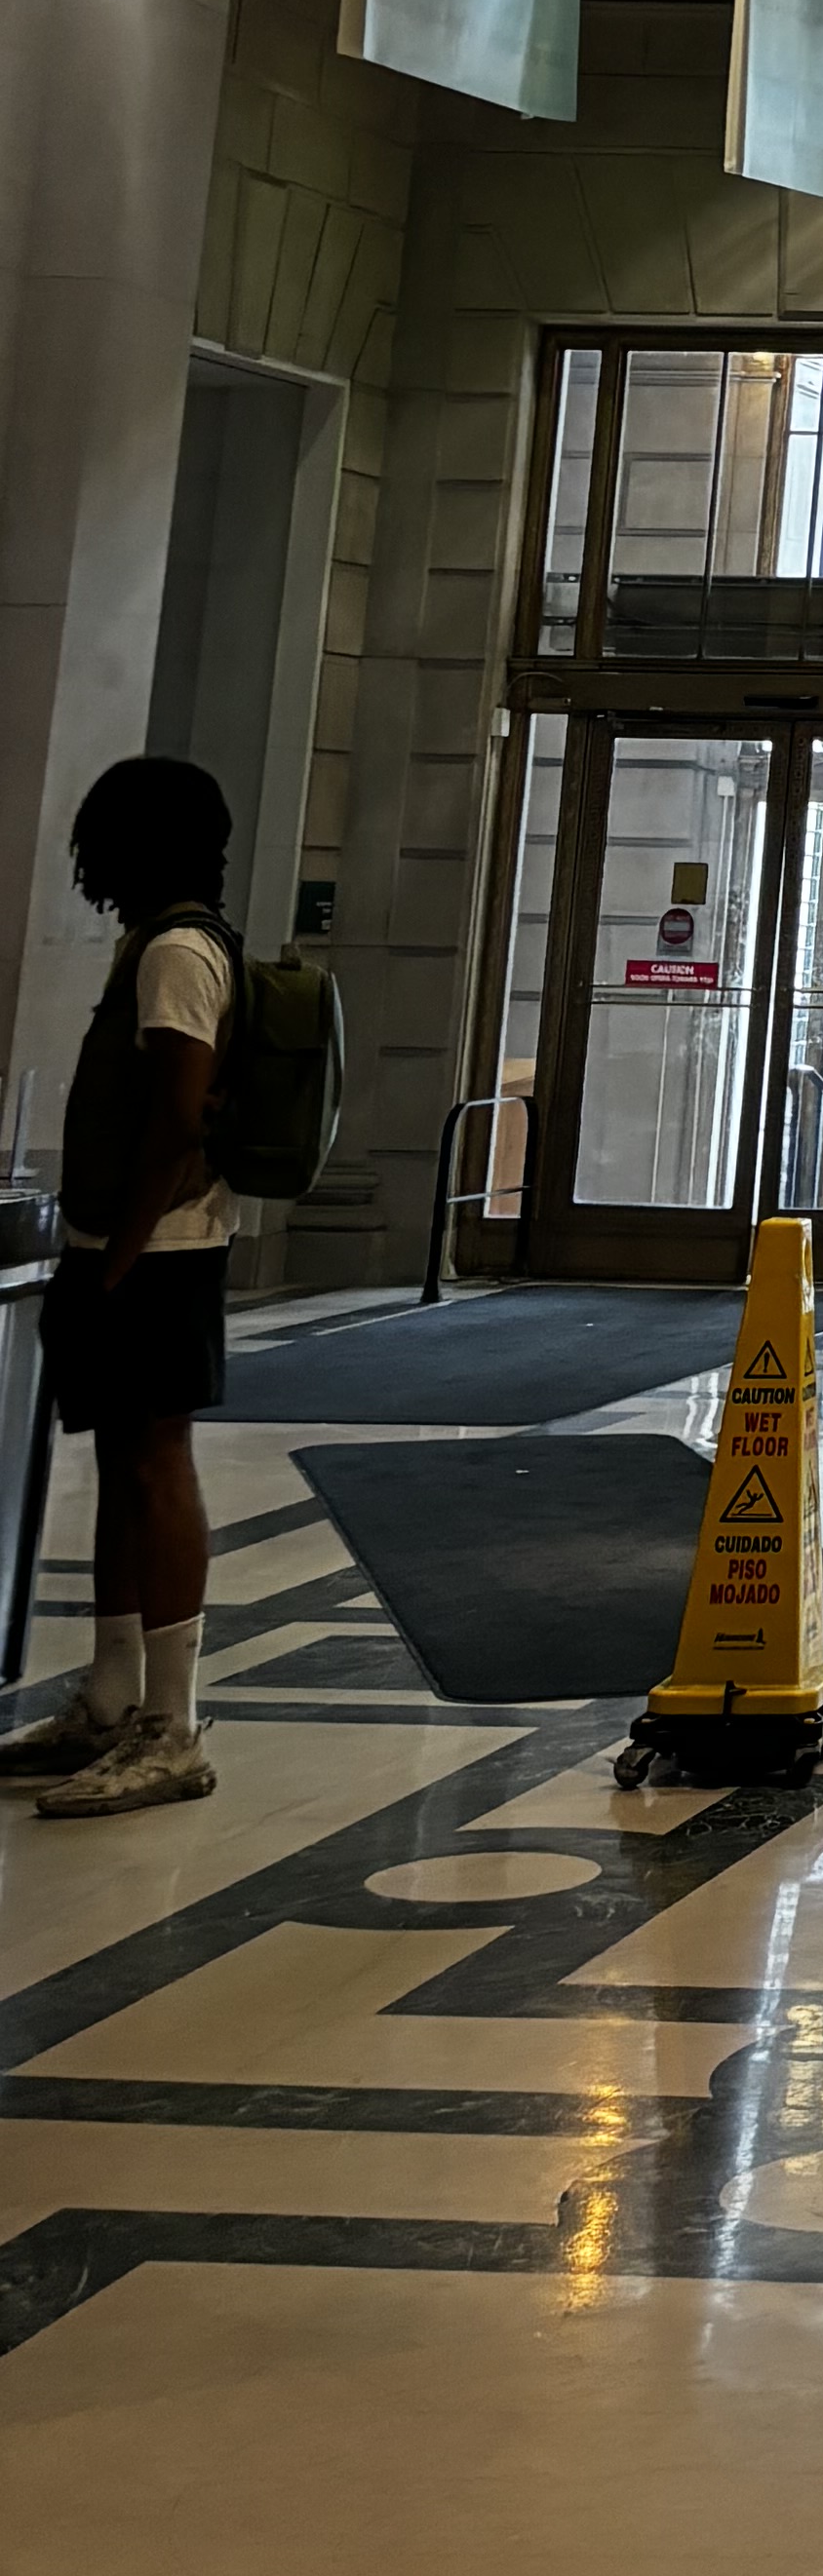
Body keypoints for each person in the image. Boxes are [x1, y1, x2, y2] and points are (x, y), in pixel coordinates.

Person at [3, 758, 244, 1817]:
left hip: (161, 1250)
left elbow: (179, 1115)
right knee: (120, 1462)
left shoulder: (179, 952)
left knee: (155, 1462)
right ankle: (110, 1698)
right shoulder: (155, 942)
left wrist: (123, 1252)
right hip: (128, 1242)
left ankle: (171, 1723)